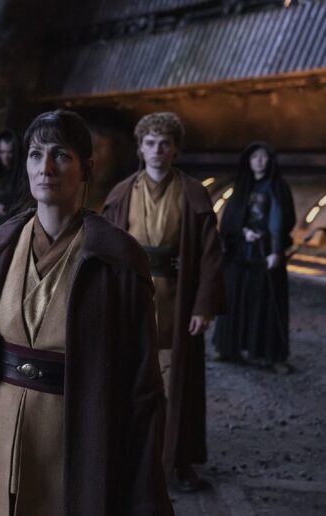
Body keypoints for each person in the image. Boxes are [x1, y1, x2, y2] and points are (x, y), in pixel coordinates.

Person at [0, 109, 173, 515]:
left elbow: (142, 385)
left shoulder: (117, 260)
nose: (46, 168)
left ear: (86, 167)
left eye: (61, 155)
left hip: (75, 432)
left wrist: (142, 488)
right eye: (36, 154)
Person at [103, 112, 224, 492]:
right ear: (140, 148)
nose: (157, 150)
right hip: (132, 301)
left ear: (175, 150)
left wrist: (203, 306)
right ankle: (132, 462)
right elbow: (104, 251)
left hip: (177, 301)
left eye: (165, 143)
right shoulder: (121, 193)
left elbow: (211, 253)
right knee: (133, 381)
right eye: (151, 143)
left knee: (176, 384)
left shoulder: (192, 193)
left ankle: (179, 462)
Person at [213, 142, 295, 373]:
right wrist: (242, 232)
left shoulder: (279, 188)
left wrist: (275, 251)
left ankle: (273, 356)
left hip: (267, 254)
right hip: (240, 254)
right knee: (234, 300)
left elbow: (283, 221)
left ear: (270, 160)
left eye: (263, 156)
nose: (259, 161)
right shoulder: (242, 187)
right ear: (248, 161)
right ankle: (227, 348)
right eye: (254, 157)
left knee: (268, 304)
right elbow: (229, 220)